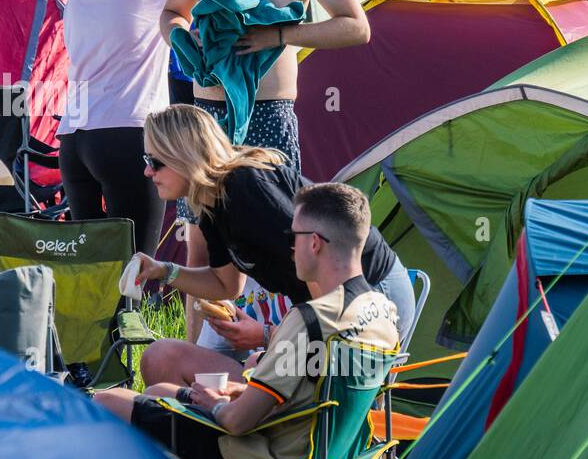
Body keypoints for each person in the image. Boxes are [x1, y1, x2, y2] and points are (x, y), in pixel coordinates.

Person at [160, 0, 372, 344]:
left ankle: (290, 349)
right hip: (207, 117)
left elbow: (356, 25)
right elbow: (171, 11)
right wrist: (182, 40)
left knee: (287, 241)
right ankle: (195, 356)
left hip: (269, 113)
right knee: (201, 245)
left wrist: (279, 34)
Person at [94, 182, 400, 459]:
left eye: (293, 236)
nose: (290, 248)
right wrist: (241, 390)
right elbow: (321, 389)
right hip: (327, 457)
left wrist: (216, 403)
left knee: (106, 403)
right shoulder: (383, 313)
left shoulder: (309, 319)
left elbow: (237, 422)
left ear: (314, 243)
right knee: (158, 393)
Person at [126, 105, 415, 387]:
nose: (147, 173)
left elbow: (323, 276)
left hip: (368, 295)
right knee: (179, 365)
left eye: (155, 162)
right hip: (327, 309)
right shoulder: (212, 201)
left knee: (283, 388)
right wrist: (164, 271)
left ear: (183, 156)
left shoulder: (245, 188)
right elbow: (225, 286)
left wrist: (266, 336)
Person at [58, 0, 176, 256]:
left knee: (90, 266)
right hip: (126, 130)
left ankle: (84, 316)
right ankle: (129, 315)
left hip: (73, 136)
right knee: (137, 266)